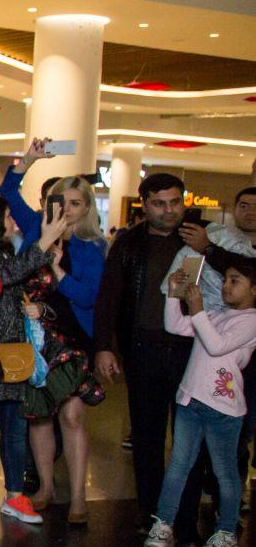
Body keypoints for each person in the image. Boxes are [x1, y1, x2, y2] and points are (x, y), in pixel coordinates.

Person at [1, 145, 106, 524]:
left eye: (77, 202)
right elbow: (8, 192)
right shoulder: (35, 228)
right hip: (34, 336)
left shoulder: (92, 247)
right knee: (39, 415)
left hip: (73, 338)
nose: (69, 209)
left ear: (87, 208)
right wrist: (27, 163)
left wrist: (59, 271)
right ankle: (46, 486)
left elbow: (88, 295)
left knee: (73, 415)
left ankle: (78, 496)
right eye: (62, 200)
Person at [0, 195, 69, 525]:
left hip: (14, 357)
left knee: (15, 430)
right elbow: (5, 276)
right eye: (7, 216)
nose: (12, 223)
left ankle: (15, 494)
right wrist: (44, 241)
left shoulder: (0, 251)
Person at [144, 260, 256, 547]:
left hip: (223, 409)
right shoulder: (218, 314)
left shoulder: (250, 321)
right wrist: (172, 295)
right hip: (191, 401)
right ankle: (164, 523)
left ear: (254, 290)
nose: (226, 286)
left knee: (224, 471)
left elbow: (217, 345)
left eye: (235, 281)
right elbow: (176, 326)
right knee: (178, 465)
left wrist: (197, 310)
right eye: (225, 280)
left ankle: (226, 531)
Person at [93, 169, 188, 527]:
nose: (169, 210)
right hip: (143, 347)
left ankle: (185, 512)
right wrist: (103, 347)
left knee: (188, 435)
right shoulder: (129, 244)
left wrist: (207, 249)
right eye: (160, 204)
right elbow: (110, 297)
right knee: (147, 435)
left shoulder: (199, 240)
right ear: (145, 205)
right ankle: (152, 512)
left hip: (192, 350)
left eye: (175, 202)